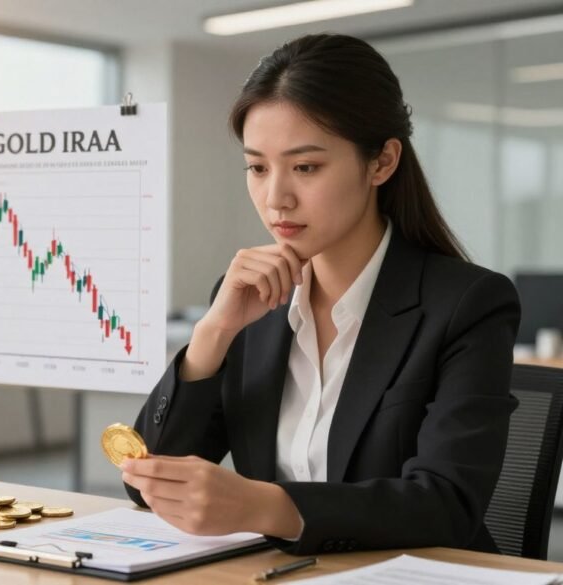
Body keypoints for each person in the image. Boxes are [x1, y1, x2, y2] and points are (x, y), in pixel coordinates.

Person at [120, 33, 521, 556]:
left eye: (305, 167)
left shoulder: (468, 304)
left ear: (381, 163)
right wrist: (213, 334)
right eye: (258, 167)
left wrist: (263, 506)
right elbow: (143, 483)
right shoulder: (249, 302)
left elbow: (445, 506)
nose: (275, 198)